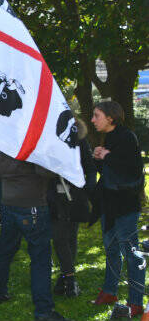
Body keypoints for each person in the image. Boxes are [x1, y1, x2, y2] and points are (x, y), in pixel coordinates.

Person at [0, 148, 68, 321]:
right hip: (32, 203)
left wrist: (10, 177)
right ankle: (44, 311)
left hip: (9, 201)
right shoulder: (31, 135)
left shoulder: (1, 137)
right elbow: (43, 170)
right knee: (40, 258)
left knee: (5, 250)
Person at [90, 101, 145, 317]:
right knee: (111, 250)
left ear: (110, 118)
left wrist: (106, 156)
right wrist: (98, 159)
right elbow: (110, 171)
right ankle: (110, 292)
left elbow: (133, 169)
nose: (93, 120)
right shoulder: (110, 137)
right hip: (109, 205)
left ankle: (136, 302)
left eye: (97, 115)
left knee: (132, 254)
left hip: (125, 207)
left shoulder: (127, 136)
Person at [49, 119, 96, 297]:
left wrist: (87, 188)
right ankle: (69, 278)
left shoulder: (80, 141)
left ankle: (66, 277)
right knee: (60, 237)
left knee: (70, 237)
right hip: (54, 196)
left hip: (75, 195)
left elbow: (90, 168)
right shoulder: (50, 141)